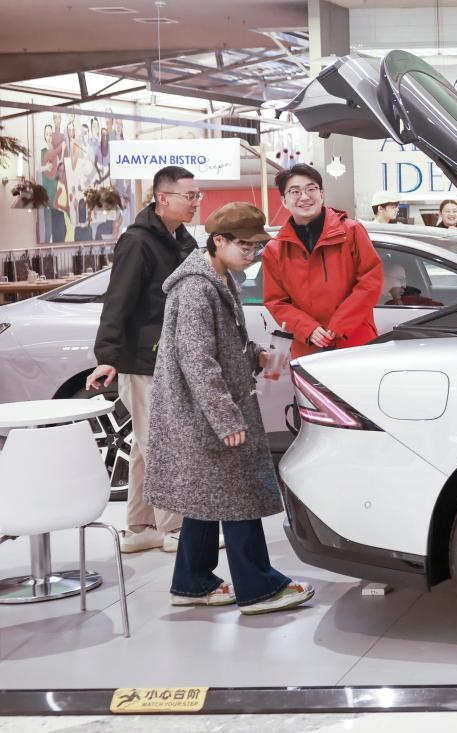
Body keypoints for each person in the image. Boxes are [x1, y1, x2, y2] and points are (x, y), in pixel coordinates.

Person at [144, 202, 314, 616]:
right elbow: (197, 359)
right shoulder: (197, 287)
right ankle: (259, 588)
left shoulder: (216, 277)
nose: (252, 254)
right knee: (239, 496)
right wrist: (225, 417)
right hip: (205, 414)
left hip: (205, 412)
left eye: (256, 246)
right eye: (245, 246)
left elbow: (219, 344)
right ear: (218, 241)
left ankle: (192, 582)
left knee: (207, 499)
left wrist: (255, 356)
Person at [86, 166, 200, 554]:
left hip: (171, 357)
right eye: (189, 196)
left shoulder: (182, 240)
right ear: (162, 198)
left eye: (197, 195)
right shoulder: (137, 242)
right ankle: (176, 529)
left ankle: (140, 527)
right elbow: (117, 301)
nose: (195, 202)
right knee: (163, 445)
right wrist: (107, 356)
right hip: (143, 361)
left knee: (144, 446)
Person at [262, 163, 383, 358]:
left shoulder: (351, 232)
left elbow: (371, 281)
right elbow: (276, 301)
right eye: (295, 191)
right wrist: (307, 328)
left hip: (354, 338)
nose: (304, 197)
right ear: (284, 200)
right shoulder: (275, 250)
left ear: (322, 194)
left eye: (311, 189)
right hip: (308, 346)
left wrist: (340, 324)